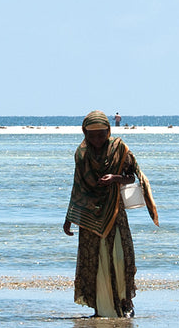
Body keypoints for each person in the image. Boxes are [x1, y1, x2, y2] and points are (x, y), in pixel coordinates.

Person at [64, 110, 158, 317]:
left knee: (119, 258)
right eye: (92, 135)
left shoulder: (119, 149)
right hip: (89, 215)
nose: (97, 139)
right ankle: (100, 307)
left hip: (115, 213)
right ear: (85, 134)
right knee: (94, 262)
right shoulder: (81, 154)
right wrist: (69, 217)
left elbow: (131, 177)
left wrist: (115, 178)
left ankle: (124, 302)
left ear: (108, 131)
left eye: (101, 134)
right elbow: (78, 186)